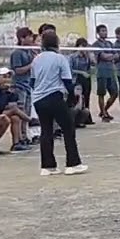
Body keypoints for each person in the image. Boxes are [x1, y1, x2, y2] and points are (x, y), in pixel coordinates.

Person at [31, 31, 86, 176]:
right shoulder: (60, 58)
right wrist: (73, 99)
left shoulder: (36, 59)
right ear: (56, 43)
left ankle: (47, 166)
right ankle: (73, 164)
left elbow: (32, 82)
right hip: (54, 96)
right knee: (68, 128)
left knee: (46, 131)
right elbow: (68, 82)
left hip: (38, 99)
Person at [0, 67, 31, 152]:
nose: (7, 79)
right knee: (2, 119)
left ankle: (16, 143)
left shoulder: (9, 91)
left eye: (8, 77)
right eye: (4, 77)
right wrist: (12, 110)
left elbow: (12, 105)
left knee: (15, 117)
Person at [92, 24, 119, 122]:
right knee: (101, 93)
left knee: (115, 93)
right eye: (102, 31)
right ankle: (103, 113)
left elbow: (117, 56)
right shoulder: (96, 44)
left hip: (111, 71)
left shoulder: (109, 43)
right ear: (98, 33)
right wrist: (111, 56)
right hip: (102, 71)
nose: (104, 32)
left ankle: (104, 110)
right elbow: (103, 56)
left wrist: (110, 56)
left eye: (105, 30)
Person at [69, 38, 95, 118]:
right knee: (78, 98)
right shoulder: (73, 57)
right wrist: (82, 72)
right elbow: (70, 70)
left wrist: (91, 59)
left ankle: (87, 116)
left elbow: (93, 67)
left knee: (86, 97)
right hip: (77, 79)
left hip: (86, 79)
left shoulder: (87, 57)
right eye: (82, 46)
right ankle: (77, 115)